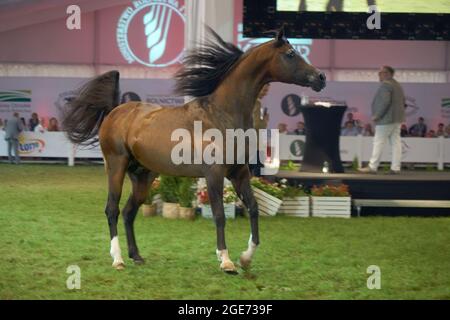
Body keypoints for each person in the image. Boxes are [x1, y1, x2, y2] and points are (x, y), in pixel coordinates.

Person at [359, 66, 405, 174]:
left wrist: (377, 115)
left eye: (381, 73)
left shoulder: (386, 85)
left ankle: (372, 166)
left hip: (386, 119)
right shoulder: (398, 85)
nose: (379, 75)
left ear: (388, 73)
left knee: (378, 142)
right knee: (396, 143)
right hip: (397, 119)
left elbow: (385, 102)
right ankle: (395, 168)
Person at [250, 84, 270, 177]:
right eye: (264, 90)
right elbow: (256, 125)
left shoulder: (246, 101)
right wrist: (265, 122)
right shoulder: (256, 103)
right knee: (259, 175)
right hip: (255, 145)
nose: (265, 93)